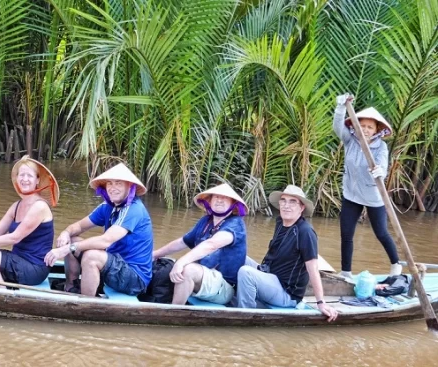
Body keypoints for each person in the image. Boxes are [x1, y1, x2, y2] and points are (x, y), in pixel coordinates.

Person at [44, 163, 153, 297]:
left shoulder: (134, 209)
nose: (112, 188)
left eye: (118, 183)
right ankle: (71, 287)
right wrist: (66, 233)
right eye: (109, 184)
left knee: (91, 256)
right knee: (71, 239)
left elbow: (105, 241)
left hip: (135, 279)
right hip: (114, 265)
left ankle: (86, 304)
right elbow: (78, 227)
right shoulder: (108, 206)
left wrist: (68, 249)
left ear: (129, 186)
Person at [236, 185, 338, 322]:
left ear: (301, 208)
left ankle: (244, 317)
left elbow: (313, 268)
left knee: (246, 273)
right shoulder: (280, 222)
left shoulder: (305, 232)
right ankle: (230, 294)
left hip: (287, 293)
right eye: (283, 200)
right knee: (238, 256)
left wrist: (320, 302)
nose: (286, 205)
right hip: (270, 276)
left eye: (292, 202)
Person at [0, 156, 59, 288]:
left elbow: (15, 237)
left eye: (29, 176)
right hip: (18, 260)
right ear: (17, 179)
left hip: (34, 268)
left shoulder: (39, 206)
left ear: (37, 180)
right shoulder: (16, 206)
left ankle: (2, 294)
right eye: (21, 175)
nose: (24, 179)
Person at [333, 94, 401, 279]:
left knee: (381, 233)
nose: (365, 129)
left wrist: (379, 171)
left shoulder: (381, 148)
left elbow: (382, 167)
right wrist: (340, 108)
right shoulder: (350, 141)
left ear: (377, 129)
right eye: (362, 125)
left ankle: (396, 264)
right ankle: (346, 271)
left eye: (369, 127)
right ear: (356, 125)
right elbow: (337, 127)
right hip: (351, 194)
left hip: (373, 196)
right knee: (346, 234)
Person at [152, 183, 247, 305]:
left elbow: (211, 244)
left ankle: (174, 312)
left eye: (224, 198)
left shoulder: (236, 224)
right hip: (204, 279)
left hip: (224, 287)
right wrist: (155, 255)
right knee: (166, 262)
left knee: (188, 269)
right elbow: (182, 242)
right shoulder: (205, 221)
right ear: (210, 201)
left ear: (232, 203)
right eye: (216, 197)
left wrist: (181, 262)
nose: (219, 200)